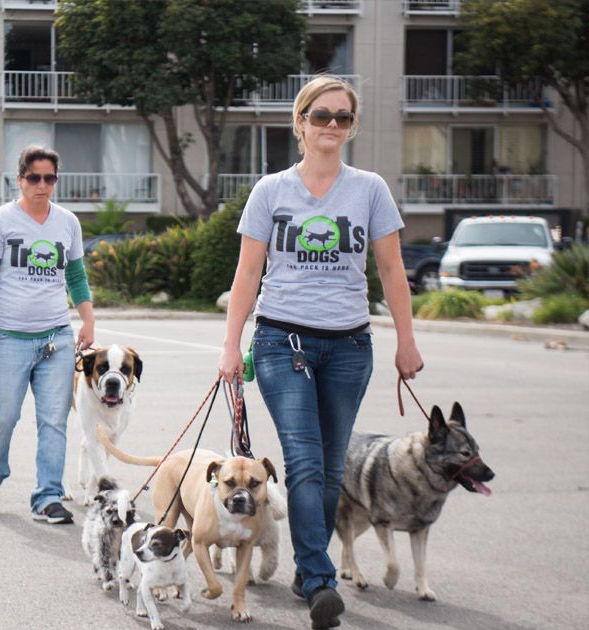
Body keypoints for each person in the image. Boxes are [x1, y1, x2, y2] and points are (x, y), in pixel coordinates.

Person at [218, 76, 423, 630]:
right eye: (321, 115)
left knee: (331, 470)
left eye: (342, 118)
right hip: (283, 341)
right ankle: (320, 578)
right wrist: (231, 344)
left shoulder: (370, 189)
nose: (331, 125)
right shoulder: (270, 191)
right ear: (300, 121)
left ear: (351, 127)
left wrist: (406, 340)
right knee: (305, 462)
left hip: (351, 347)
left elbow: (389, 270)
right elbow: (247, 271)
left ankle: (308, 571)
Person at [0, 145, 95, 525]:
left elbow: (75, 276)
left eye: (50, 178)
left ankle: (48, 496)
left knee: (54, 419)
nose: (43, 185)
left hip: (56, 336)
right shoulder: (1, 221)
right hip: (8, 337)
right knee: (2, 418)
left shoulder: (67, 222)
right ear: (20, 179)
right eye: (35, 178)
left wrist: (88, 320)